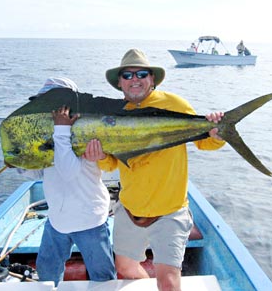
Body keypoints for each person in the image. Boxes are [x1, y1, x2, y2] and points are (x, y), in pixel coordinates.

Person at [84, 49, 225, 291]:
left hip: (170, 211)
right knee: (126, 269)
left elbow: (205, 143)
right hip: (130, 210)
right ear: (119, 83)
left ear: (152, 79)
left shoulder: (175, 104)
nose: (134, 79)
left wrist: (218, 131)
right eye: (127, 75)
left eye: (141, 74)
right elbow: (110, 164)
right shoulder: (114, 115)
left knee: (169, 283)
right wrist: (98, 156)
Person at [7, 77, 116, 286]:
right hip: (57, 220)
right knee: (47, 276)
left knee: (103, 280)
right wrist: (20, 163)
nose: (52, 111)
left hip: (89, 221)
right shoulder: (54, 134)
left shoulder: (84, 132)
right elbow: (39, 174)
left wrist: (62, 130)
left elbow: (69, 171)